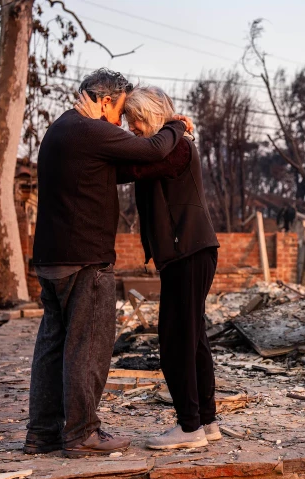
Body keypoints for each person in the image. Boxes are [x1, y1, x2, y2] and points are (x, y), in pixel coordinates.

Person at [26, 69, 191, 458]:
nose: (120, 124)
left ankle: (42, 433)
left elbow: (120, 169)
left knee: (52, 346)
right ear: (103, 102)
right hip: (85, 259)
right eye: (118, 112)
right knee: (88, 347)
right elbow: (151, 151)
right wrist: (175, 125)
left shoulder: (60, 130)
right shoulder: (91, 129)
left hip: (50, 260)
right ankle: (82, 432)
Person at [75, 85, 220, 450]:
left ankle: (189, 428)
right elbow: (131, 165)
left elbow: (132, 167)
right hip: (188, 253)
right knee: (193, 337)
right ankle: (206, 420)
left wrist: (173, 126)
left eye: (134, 120)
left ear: (151, 115)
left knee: (176, 341)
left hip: (188, 253)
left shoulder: (178, 147)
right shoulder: (173, 145)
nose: (131, 128)